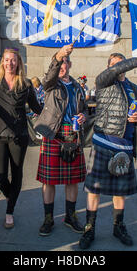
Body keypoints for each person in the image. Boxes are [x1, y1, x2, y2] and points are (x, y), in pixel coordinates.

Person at [79, 53, 137, 250]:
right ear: (109, 67)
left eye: (122, 63)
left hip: (124, 146)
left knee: (120, 191)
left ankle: (118, 226)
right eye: (115, 65)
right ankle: (89, 228)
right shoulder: (104, 82)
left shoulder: (134, 89)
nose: (119, 67)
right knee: (94, 189)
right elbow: (117, 69)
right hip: (104, 142)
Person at [34, 44, 87, 237]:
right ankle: (48, 218)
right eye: (60, 63)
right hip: (53, 134)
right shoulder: (51, 84)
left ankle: (70, 216)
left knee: (72, 181)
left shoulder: (77, 87)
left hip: (73, 135)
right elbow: (49, 75)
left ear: (70, 64)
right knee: (49, 181)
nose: (63, 66)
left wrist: (83, 117)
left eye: (65, 63)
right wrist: (58, 55)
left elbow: (85, 109)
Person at [0, 48, 42, 228]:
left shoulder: (26, 84)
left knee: (17, 173)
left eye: (13, 60)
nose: (10, 63)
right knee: (0, 178)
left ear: (18, 62)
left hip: (19, 136)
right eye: (6, 60)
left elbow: (37, 108)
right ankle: (12, 195)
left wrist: (55, 112)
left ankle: (9, 211)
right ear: (2, 62)